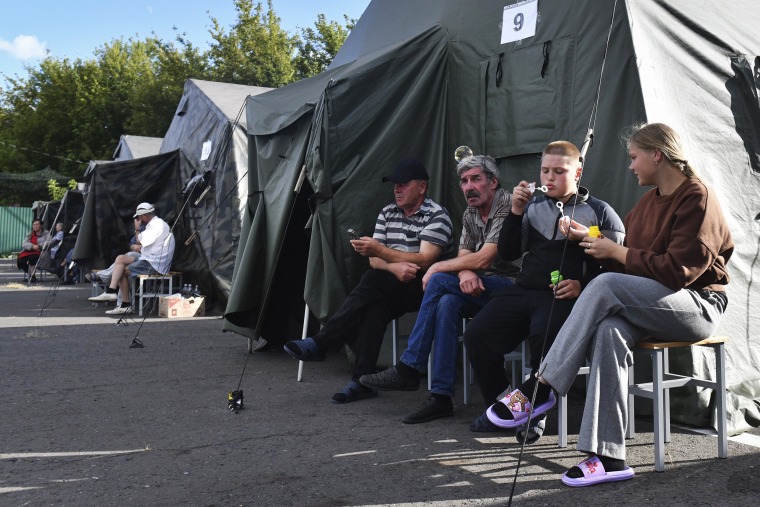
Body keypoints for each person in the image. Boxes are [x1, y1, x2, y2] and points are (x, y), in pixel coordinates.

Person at [497, 123, 733, 487]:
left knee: (606, 285)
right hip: (650, 301)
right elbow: (627, 257)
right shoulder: (647, 202)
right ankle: (609, 457)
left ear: (657, 154)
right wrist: (586, 237)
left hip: (697, 305)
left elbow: (679, 271)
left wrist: (615, 251)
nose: (630, 166)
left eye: (634, 157)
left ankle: (541, 386)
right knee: (609, 330)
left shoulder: (697, 197)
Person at [464, 141, 625, 442]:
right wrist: (515, 210)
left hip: (565, 296)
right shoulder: (532, 207)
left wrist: (582, 285)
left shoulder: (600, 212)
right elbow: (508, 253)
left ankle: (534, 410)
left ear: (577, 172)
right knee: (477, 335)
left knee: (544, 334)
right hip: (525, 289)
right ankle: (509, 403)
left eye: (558, 171)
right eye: (545, 171)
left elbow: (617, 267)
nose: (549, 177)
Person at [359, 155, 520, 423]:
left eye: (476, 179)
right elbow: (466, 254)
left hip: (513, 287)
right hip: (483, 285)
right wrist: (464, 270)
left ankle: (410, 366)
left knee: (437, 280)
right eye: (464, 181)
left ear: (494, 182)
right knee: (447, 303)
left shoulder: (506, 203)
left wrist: (437, 267)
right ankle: (441, 397)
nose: (468, 186)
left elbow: (485, 258)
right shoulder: (470, 212)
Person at [283, 158, 455, 403]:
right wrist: (393, 268)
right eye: (395, 185)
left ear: (422, 187)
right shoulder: (387, 212)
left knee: (373, 279)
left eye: (403, 184)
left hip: (427, 285)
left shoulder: (437, 215)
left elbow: (426, 259)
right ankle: (361, 380)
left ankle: (323, 342)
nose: (397, 189)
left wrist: (380, 252)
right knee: (375, 305)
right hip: (392, 281)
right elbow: (374, 260)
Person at [89, 203, 176, 315]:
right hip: (150, 257)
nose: (138, 220)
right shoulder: (155, 224)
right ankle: (110, 289)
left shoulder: (156, 225)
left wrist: (137, 229)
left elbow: (140, 241)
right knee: (121, 258)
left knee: (121, 271)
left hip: (155, 263)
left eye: (138, 217)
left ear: (144, 216)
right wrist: (138, 247)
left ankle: (124, 304)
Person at [17, 219, 50, 283]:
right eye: (34, 225)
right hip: (30, 250)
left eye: (37, 224)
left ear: (41, 225)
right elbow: (24, 244)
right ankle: (30, 275)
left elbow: (49, 242)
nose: (35, 226)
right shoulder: (30, 234)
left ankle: (32, 276)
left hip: (40, 251)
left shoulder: (46, 233)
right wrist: (32, 246)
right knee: (20, 261)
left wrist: (39, 246)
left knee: (32, 258)